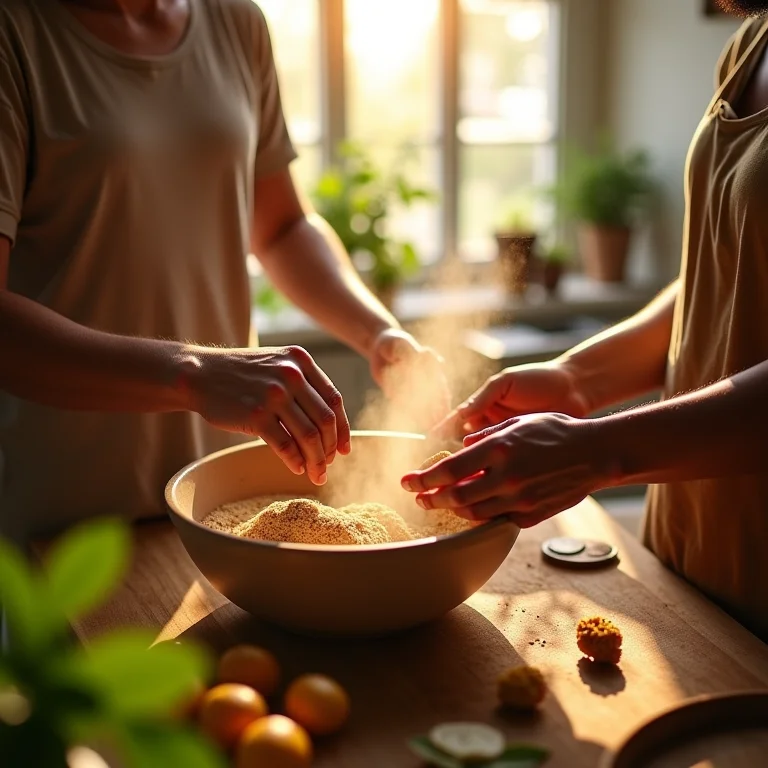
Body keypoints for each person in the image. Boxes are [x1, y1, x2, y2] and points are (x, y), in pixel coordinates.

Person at [0, 0, 445, 546]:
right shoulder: (15, 33)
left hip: (217, 501)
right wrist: (194, 372)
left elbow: (282, 227)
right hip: (68, 511)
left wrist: (377, 333)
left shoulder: (237, 22)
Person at [402, 0, 768, 643]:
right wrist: (576, 381)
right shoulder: (752, 44)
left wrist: (598, 450)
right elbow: (725, 277)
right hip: (689, 561)